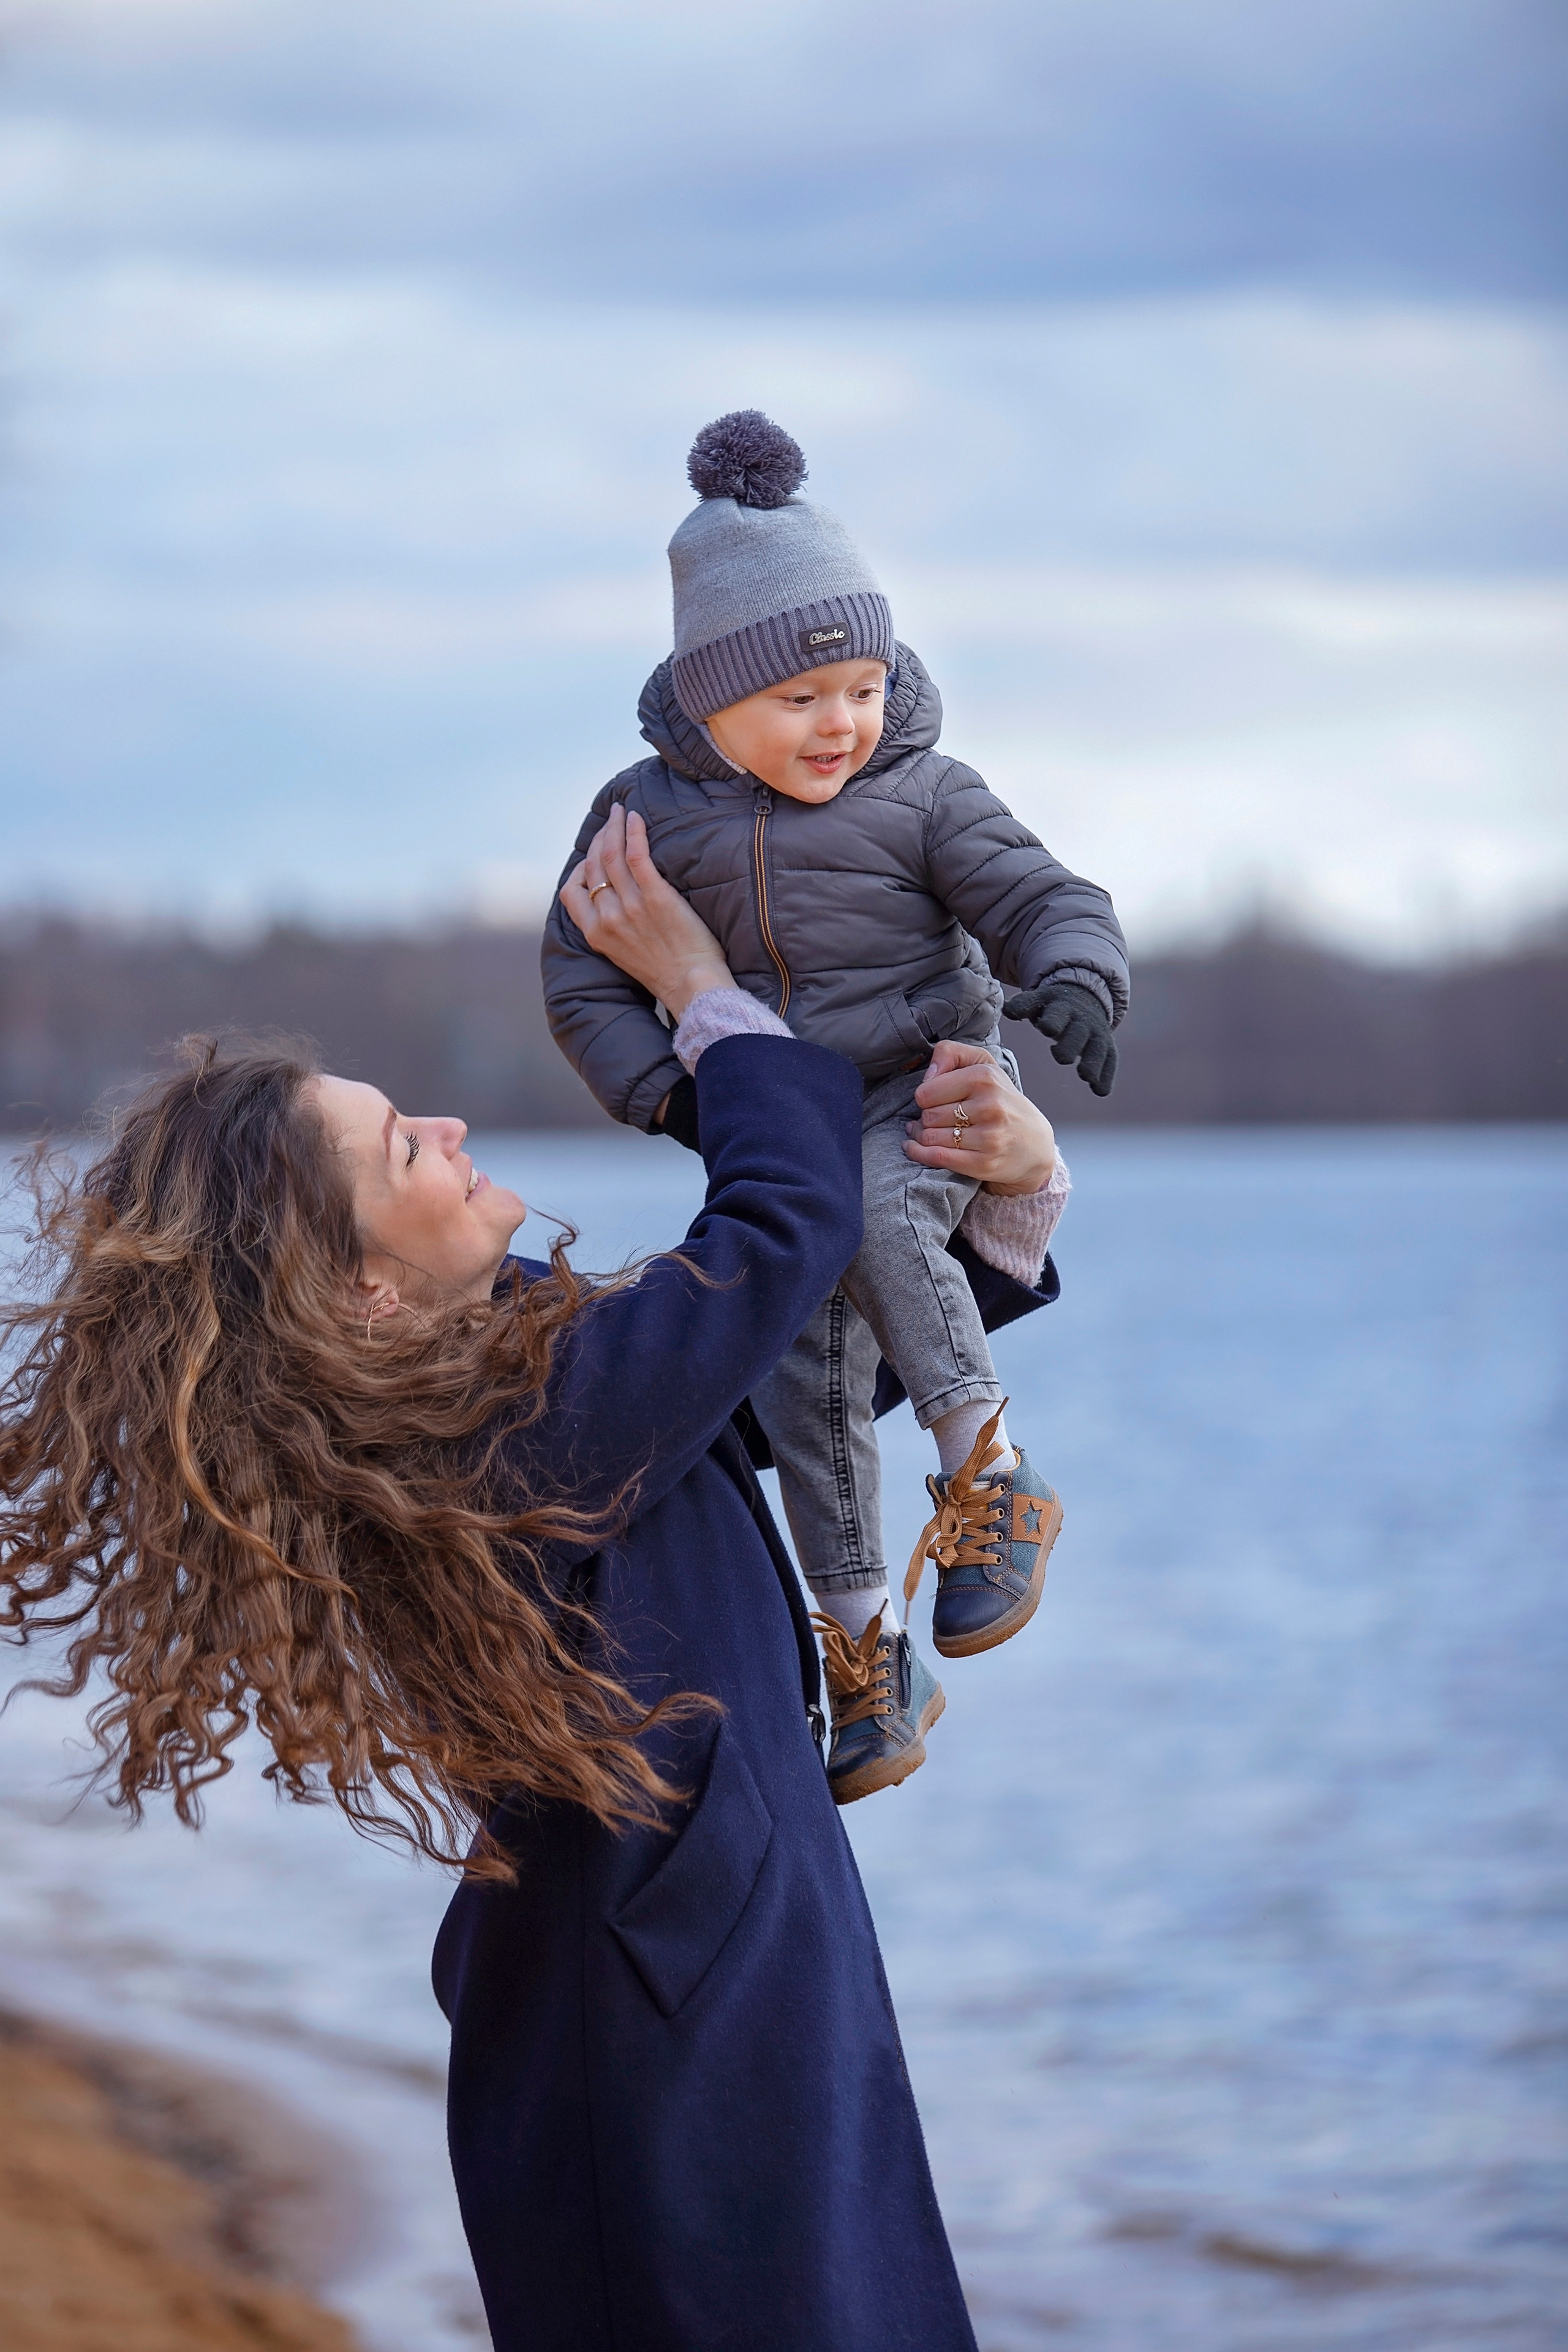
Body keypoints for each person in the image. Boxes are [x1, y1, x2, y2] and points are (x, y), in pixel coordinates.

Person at [0, 851, 1062, 2352]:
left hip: (692, 1971)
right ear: (358, 1288)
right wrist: (699, 994)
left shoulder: (507, 1386)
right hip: (661, 2031)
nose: (445, 1128)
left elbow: (781, 1387)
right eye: (400, 1153)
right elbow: (779, 1237)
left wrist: (1011, 1197)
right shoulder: (497, 1433)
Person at [543, 409, 1128, 1800]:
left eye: (861, 687)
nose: (840, 724)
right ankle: (866, 1653)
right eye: (800, 702)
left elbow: (1047, 896)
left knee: (869, 1209)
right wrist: (681, 1105)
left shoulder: (924, 795)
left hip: (916, 1102)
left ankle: (990, 1472)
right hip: (771, 1125)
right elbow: (578, 975)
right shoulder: (641, 815)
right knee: (797, 1381)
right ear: (707, 702)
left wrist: (1075, 978)